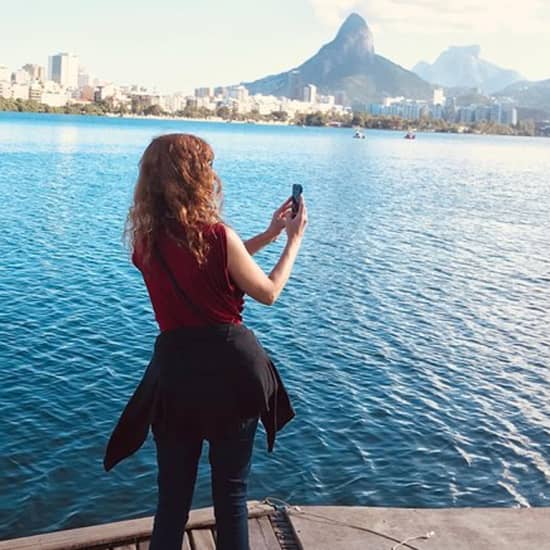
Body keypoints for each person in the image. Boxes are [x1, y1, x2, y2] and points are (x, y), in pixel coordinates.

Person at [104, 133, 307, 550]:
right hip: (233, 375)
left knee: (172, 501)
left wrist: (267, 235)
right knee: (230, 496)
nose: (214, 174)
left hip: (176, 377)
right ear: (195, 177)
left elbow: (209, 266)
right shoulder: (216, 235)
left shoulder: (145, 244)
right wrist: (292, 241)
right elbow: (267, 291)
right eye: (207, 166)